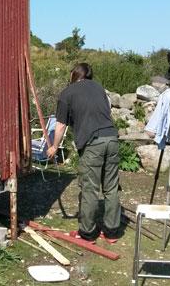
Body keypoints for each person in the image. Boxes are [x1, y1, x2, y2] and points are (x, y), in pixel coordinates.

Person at [46, 62, 121, 241]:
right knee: (111, 188)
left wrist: (54, 147)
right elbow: (103, 112)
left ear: (74, 75)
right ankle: (111, 233)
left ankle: (87, 233)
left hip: (93, 143)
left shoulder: (67, 93)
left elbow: (61, 125)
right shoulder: (98, 88)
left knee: (90, 189)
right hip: (112, 138)